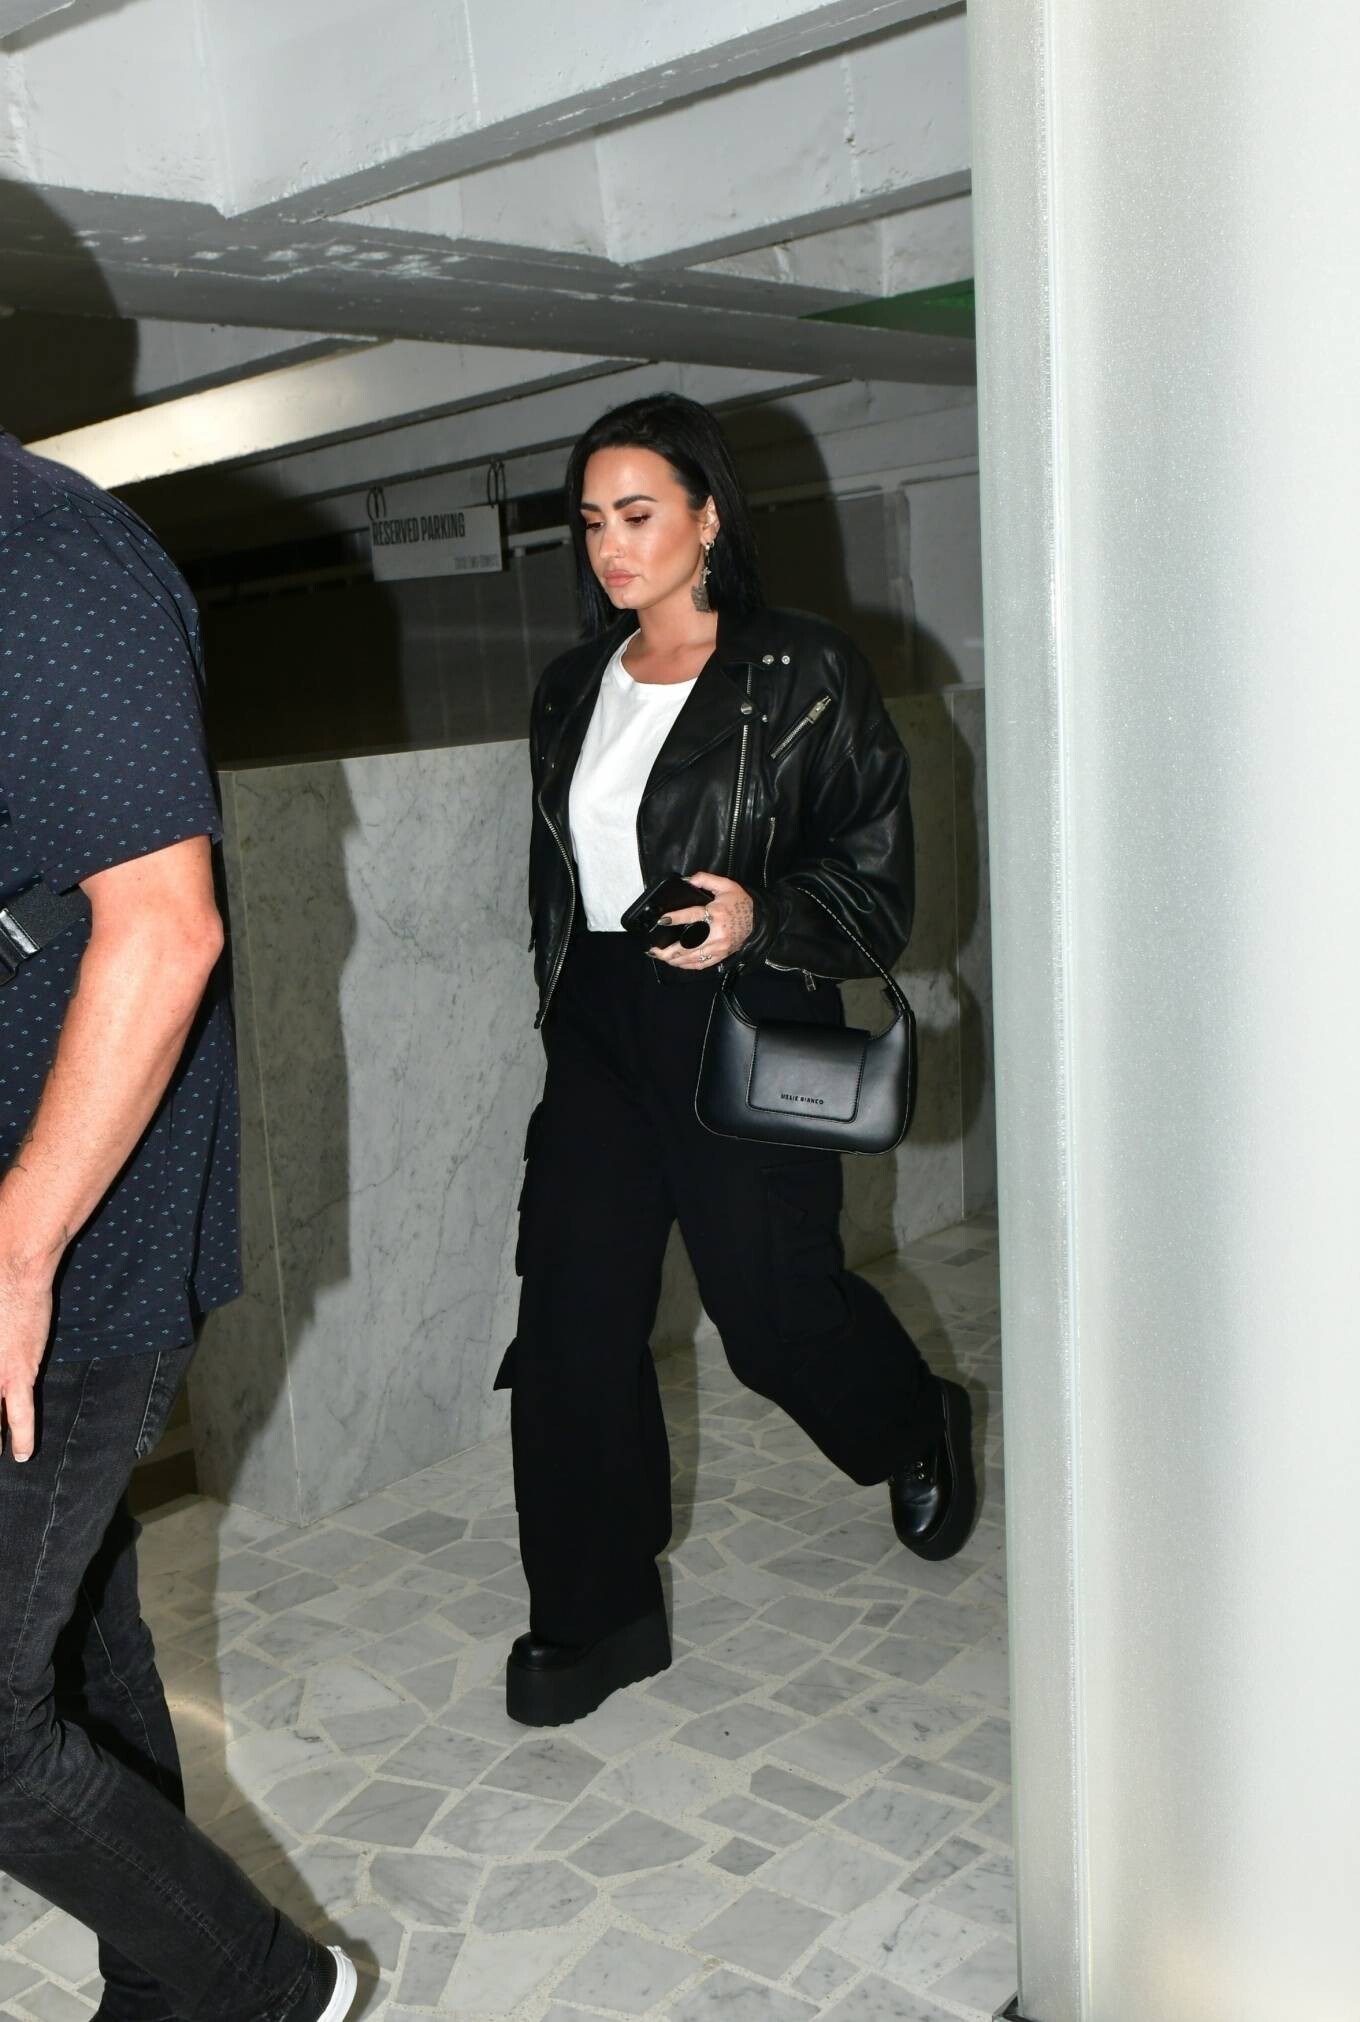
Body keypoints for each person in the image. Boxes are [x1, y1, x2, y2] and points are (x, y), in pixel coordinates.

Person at [500, 392, 977, 1728]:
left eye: (638, 514)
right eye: (591, 521)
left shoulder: (800, 672)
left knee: (774, 1321)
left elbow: (879, 884)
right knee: (571, 1325)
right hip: (600, 1025)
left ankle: (913, 1419)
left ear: (708, 518)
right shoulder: (571, 687)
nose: (611, 545)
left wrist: (762, 915)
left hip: (740, 1009)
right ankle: (594, 1614)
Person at [0, 430, 356, 2022]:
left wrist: (18, 1249)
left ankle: (267, 1989)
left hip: (71, 1239)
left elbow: (163, 929)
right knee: (75, 1622)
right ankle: (165, 1989)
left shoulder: (44, 557)